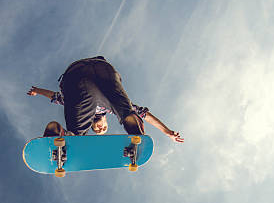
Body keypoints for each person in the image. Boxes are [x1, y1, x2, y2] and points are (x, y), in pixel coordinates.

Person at [27, 56, 184, 143]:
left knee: (77, 133)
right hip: (104, 70)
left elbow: (55, 97)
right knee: (126, 111)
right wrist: (167, 131)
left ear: (94, 126)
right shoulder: (110, 108)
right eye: (103, 129)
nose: (100, 128)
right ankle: (135, 132)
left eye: (97, 130)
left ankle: (59, 134)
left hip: (77, 76)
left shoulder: (76, 104)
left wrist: (37, 91)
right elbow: (145, 114)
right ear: (106, 122)